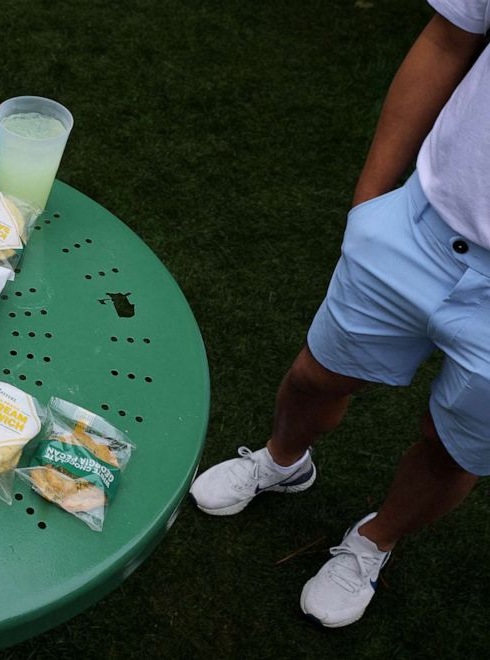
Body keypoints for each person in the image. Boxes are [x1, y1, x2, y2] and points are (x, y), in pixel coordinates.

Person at [189, 1, 490, 628]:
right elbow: (448, 39)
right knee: (317, 375)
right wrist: (370, 204)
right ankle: (282, 461)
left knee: (454, 449)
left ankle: (374, 540)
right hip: (423, 228)